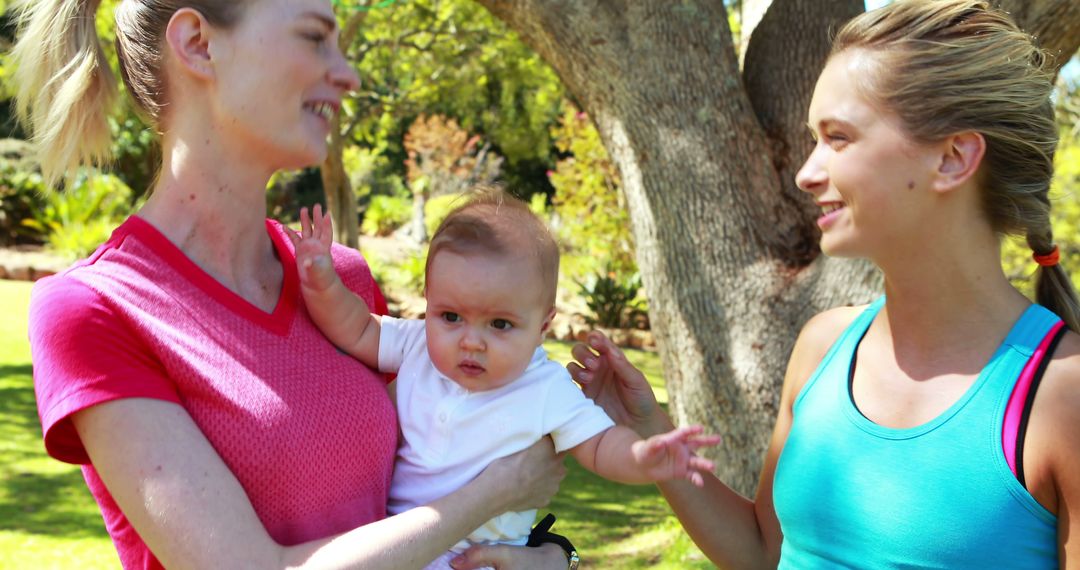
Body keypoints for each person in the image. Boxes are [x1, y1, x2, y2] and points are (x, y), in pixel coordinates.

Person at [13, 1, 572, 568]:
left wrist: (550, 556)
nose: (348, 75)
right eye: (313, 39)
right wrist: (494, 494)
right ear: (198, 44)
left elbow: (429, 482)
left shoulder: (342, 284)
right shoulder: (96, 310)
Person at [569, 0, 1080, 567]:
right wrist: (649, 425)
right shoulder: (823, 346)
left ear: (954, 158)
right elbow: (765, 551)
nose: (806, 173)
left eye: (838, 138)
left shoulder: (1063, 395)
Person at [288, 187, 722, 569]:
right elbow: (358, 327)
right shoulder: (417, 343)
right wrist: (321, 280)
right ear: (429, 301)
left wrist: (643, 456)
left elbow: (601, 445)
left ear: (543, 326)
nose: (470, 341)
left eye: (499, 324)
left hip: (481, 559)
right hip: (396, 546)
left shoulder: (545, 388)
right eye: (451, 316)